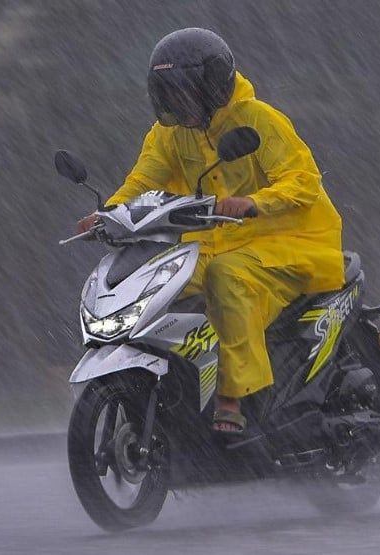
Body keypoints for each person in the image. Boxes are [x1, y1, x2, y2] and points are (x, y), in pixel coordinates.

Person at [76, 28, 344, 435]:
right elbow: (142, 181)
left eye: (183, 92)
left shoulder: (260, 121)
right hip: (213, 246)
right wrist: (108, 213)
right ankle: (173, 388)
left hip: (286, 244)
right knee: (153, 284)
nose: (175, 104)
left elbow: (303, 180)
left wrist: (254, 202)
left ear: (213, 85)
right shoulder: (169, 132)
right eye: (168, 94)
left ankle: (237, 399)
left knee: (226, 279)